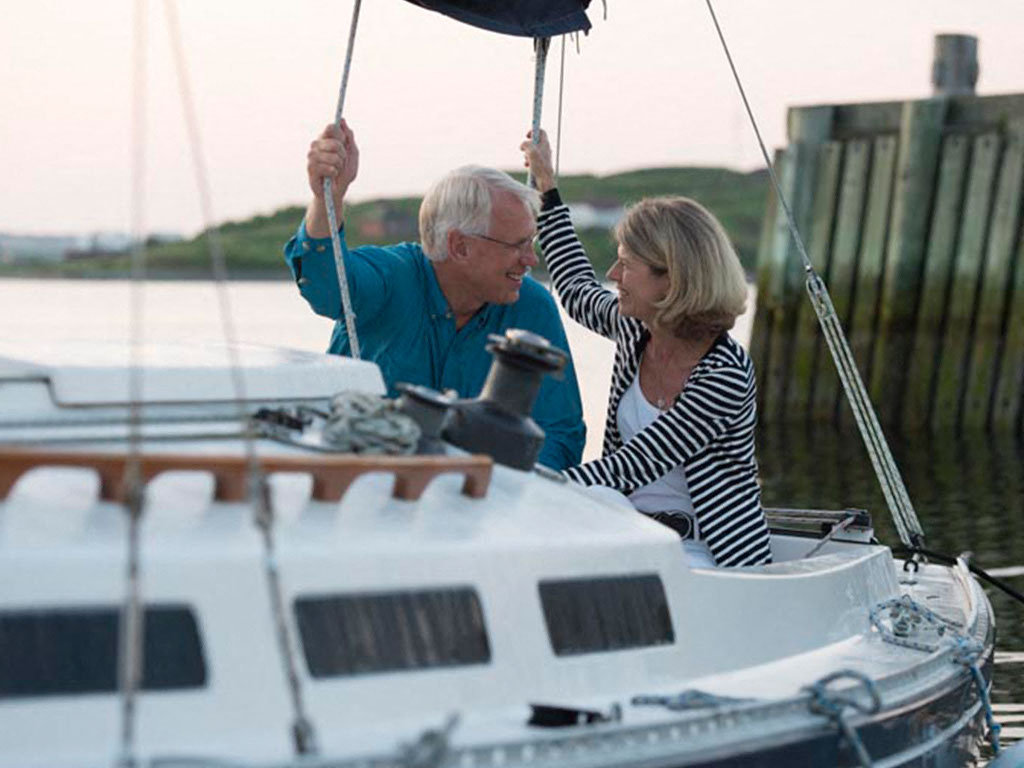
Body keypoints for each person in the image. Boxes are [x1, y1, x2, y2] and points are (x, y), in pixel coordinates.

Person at [521, 130, 770, 567]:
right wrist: (548, 191)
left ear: (670, 280)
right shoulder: (635, 329)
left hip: (708, 552)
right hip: (631, 534)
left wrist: (530, 488)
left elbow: (634, 463)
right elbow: (577, 289)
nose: (614, 274)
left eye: (627, 264)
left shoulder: (724, 373)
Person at [283, 122, 585, 470]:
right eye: (517, 245)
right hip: (361, 482)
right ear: (460, 246)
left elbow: (561, 434)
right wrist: (328, 198)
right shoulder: (391, 277)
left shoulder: (532, 307)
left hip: (481, 503)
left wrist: (494, 488)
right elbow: (324, 286)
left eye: (530, 243)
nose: (531, 260)